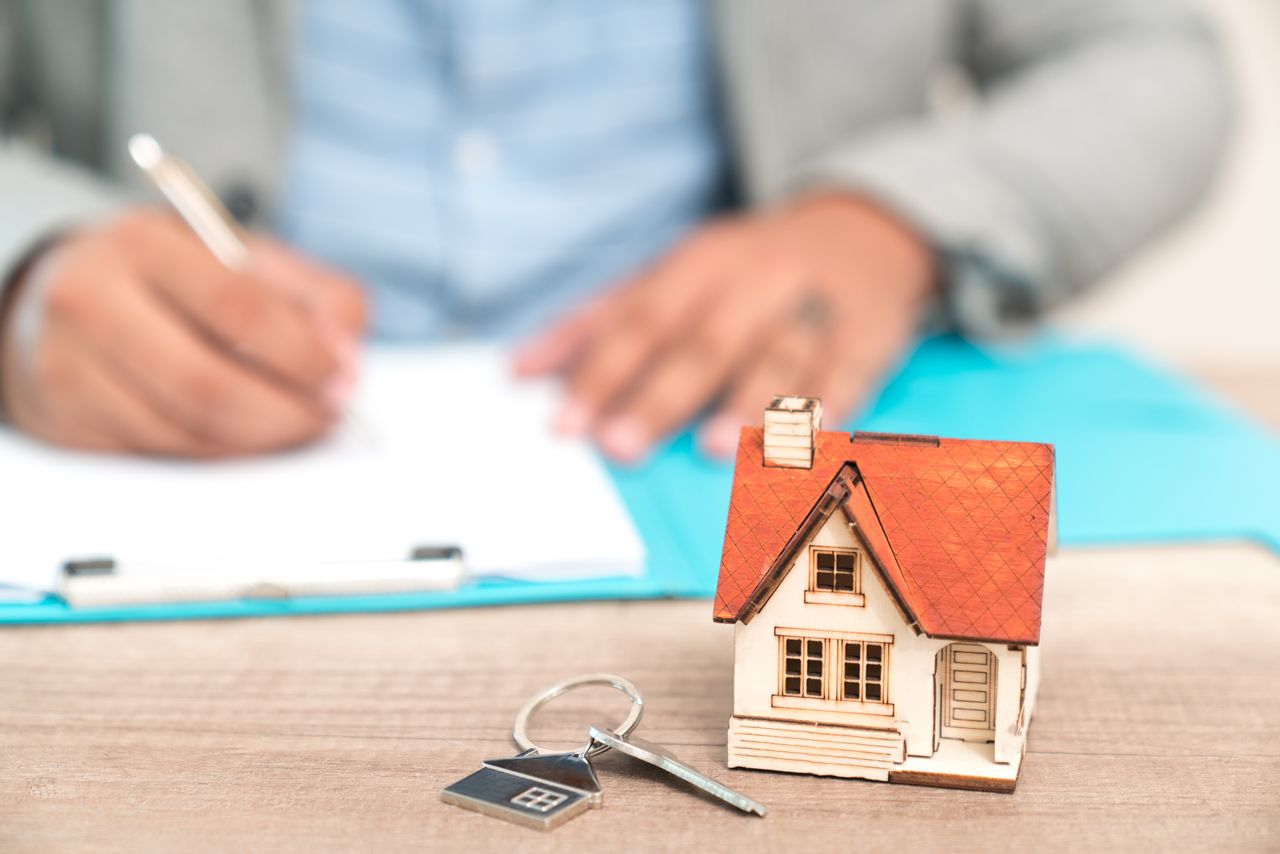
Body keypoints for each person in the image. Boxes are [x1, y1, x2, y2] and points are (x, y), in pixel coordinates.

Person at [0, 0, 1230, 462]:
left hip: (703, 453)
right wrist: (32, 259)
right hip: (161, 485)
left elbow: (1153, 64)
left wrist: (883, 220)